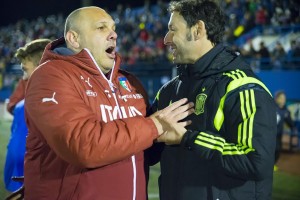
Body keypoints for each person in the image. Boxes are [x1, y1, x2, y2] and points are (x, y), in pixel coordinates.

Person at [23, 6, 194, 200]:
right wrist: (154, 125)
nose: (113, 34)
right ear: (74, 38)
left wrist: (167, 135)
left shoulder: (129, 83)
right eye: (101, 27)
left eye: (113, 28)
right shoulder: (51, 76)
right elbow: (82, 145)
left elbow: (145, 151)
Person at [148, 0, 277, 199]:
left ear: (198, 30)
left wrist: (187, 138)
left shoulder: (242, 87)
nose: (166, 39)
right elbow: (148, 154)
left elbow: (256, 161)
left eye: (173, 29)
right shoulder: (168, 91)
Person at [4, 38, 51, 193]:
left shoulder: (56, 103)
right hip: (21, 178)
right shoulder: (23, 105)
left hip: (38, 182)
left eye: (25, 69)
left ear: (41, 67)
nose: (23, 78)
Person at [274, 90, 297, 169]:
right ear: (276, 99)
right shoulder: (271, 108)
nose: (283, 100)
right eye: (281, 98)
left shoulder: (285, 111)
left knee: (277, 151)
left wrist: (293, 128)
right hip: (269, 135)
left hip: (278, 135)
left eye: (284, 98)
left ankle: (272, 165)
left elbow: (290, 122)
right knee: (271, 150)